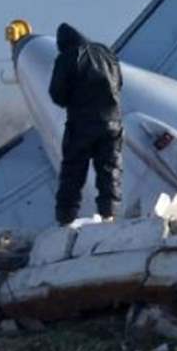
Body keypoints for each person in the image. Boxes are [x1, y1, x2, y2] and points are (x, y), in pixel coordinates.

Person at [48, 22, 124, 226]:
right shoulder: (107, 53)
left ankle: (66, 219)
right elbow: (120, 84)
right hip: (112, 122)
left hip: (82, 122)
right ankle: (109, 215)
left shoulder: (68, 56)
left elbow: (57, 94)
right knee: (110, 168)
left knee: (73, 170)